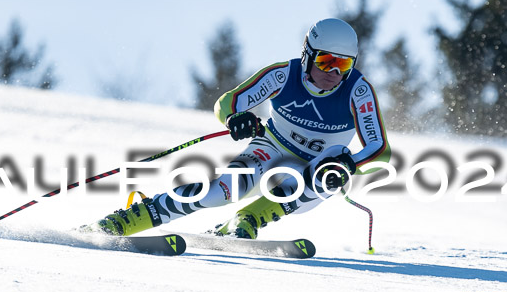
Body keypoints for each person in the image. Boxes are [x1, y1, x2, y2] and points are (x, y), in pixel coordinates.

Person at [88, 18, 390, 239]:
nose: (334, 73)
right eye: (325, 61)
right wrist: (235, 119)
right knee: (223, 190)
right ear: (308, 54)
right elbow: (227, 102)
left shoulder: (357, 91)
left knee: (334, 165)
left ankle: (248, 220)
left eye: (344, 65)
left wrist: (351, 162)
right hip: (271, 149)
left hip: (313, 172)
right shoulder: (284, 75)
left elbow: (380, 152)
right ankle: (127, 221)